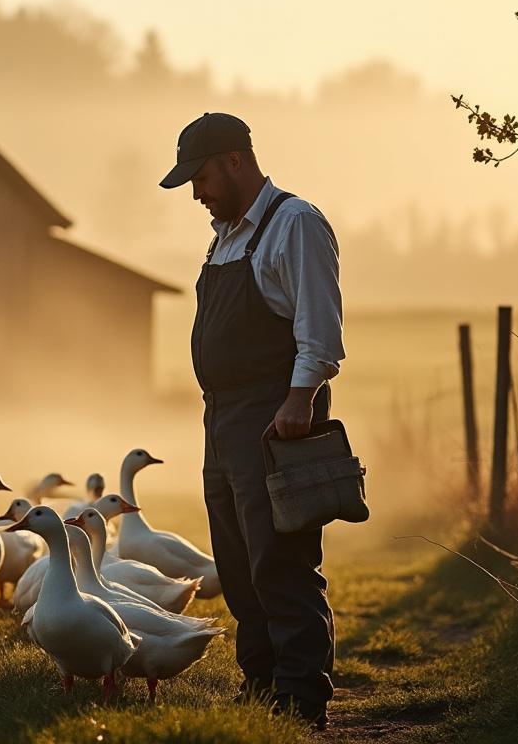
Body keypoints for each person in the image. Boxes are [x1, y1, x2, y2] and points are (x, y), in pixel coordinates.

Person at [159, 112, 344, 729]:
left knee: (280, 561)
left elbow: (320, 330)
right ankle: (261, 685)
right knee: (237, 566)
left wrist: (299, 401)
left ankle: (300, 698)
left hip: (274, 417)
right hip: (222, 420)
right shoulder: (226, 236)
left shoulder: (294, 223)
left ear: (235, 161)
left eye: (202, 177)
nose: (197, 192)